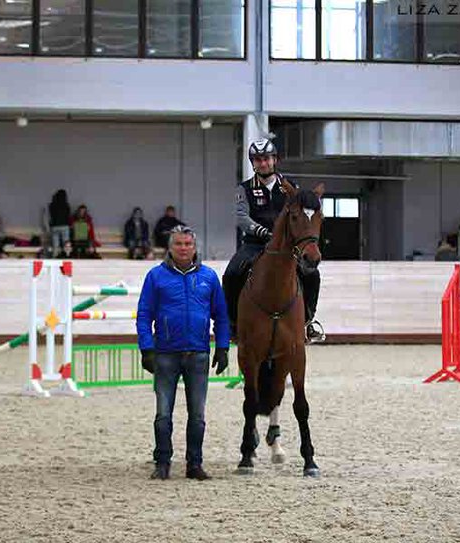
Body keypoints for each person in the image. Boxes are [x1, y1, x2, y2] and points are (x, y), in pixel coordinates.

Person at [136, 225, 230, 481]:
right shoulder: (155, 277)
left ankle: (194, 464)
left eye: (188, 244)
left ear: (194, 246)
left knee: (197, 415)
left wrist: (222, 347)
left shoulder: (209, 277)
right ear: (170, 247)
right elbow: (144, 315)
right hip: (165, 354)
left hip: (198, 354)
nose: (183, 248)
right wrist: (147, 349)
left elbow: (221, 316)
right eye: (178, 244)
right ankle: (162, 462)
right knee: (163, 413)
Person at [222, 138, 325, 343]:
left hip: (285, 247)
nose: (263, 163)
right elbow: (241, 217)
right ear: (253, 163)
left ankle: (308, 321)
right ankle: (232, 324)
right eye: (258, 160)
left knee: (312, 275)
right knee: (231, 274)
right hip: (254, 244)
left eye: (266, 159)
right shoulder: (244, 189)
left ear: (274, 160)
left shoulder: (291, 188)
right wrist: (261, 231)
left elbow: (302, 216)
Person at [48, 189, 71, 258]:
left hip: (54, 226)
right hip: (64, 225)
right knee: (66, 243)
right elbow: (68, 216)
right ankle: (67, 255)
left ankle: (55, 256)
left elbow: (50, 216)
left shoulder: (52, 205)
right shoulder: (66, 205)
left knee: (55, 244)